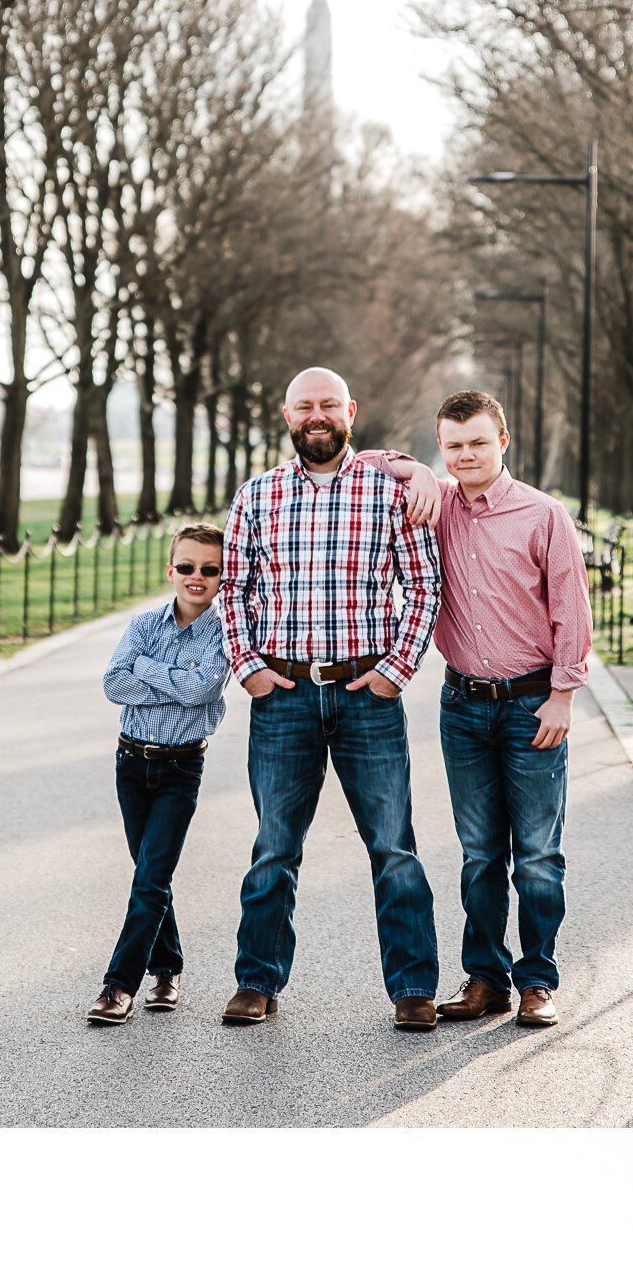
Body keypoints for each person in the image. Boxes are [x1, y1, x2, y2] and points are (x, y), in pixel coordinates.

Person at [217, 367, 443, 1030]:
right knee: (274, 846)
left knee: (393, 846)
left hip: (366, 693)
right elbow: (233, 590)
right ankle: (256, 981)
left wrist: (394, 673)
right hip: (282, 695)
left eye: (327, 405)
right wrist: (250, 668)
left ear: (349, 411)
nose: (316, 416)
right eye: (303, 407)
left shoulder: (389, 491)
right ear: (287, 416)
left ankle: (412, 988)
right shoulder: (256, 496)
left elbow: (424, 589)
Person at [375, 391, 592, 1032]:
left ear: (503, 442)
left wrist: (563, 694)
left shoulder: (542, 515)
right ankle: (486, 980)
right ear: (440, 447)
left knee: (537, 855)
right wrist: (412, 467)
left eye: (477, 442)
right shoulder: (431, 503)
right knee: (478, 853)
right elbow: (368, 461)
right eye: (451, 444)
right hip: (462, 705)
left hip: (533, 706)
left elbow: (571, 610)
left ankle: (538, 981)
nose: (465, 454)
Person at [88, 522, 230, 1025]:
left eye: (209, 570)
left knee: (150, 877)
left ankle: (118, 986)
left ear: (223, 576)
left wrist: (147, 670)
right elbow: (113, 683)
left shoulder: (226, 633)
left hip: (181, 768)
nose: (197, 577)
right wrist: (177, 682)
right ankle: (168, 968)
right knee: (150, 873)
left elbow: (201, 692)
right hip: (131, 763)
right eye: (187, 567)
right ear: (171, 570)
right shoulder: (145, 624)